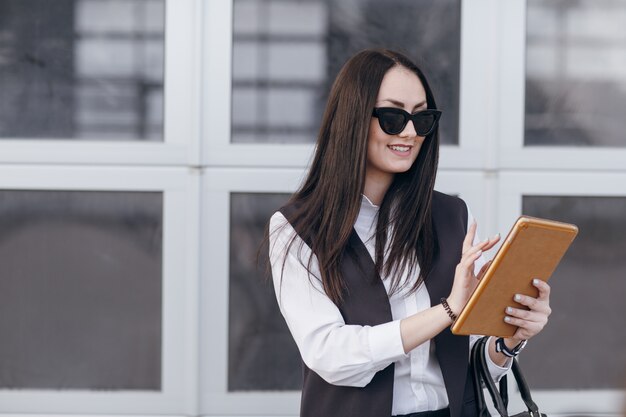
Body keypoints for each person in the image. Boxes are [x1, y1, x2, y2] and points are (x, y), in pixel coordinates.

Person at [267, 49, 551, 417]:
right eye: (392, 116)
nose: (409, 132)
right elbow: (329, 353)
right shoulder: (296, 229)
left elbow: (461, 366)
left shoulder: (450, 214)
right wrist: (448, 310)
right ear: (352, 118)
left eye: (422, 118)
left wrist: (511, 337)